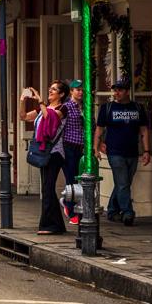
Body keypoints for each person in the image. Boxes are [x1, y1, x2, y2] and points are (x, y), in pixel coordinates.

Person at [94, 80, 152, 226]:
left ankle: (113, 210)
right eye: (115, 90)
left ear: (127, 91)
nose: (116, 93)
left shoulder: (138, 108)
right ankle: (128, 212)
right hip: (114, 151)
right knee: (123, 183)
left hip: (133, 151)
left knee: (123, 183)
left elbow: (144, 130)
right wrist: (96, 147)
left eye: (120, 90)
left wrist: (146, 151)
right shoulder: (107, 108)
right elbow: (99, 129)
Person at [20, 81, 69, 235]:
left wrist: (40, 99)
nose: (50, 91)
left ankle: (50, 226)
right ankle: (57, 225)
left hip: (55, 153)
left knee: (48, 188)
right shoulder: (42, 109)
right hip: (44, 152)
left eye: (54, 89)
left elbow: (50, 119)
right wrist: (23, 100)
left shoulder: (62, 108)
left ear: (61, 94)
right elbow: (23, 117)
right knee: (47, 188)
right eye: (50, 88)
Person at [61, 79, 85, 224]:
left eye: (82, 89)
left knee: (80, 179)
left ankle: (72, 204)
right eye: (77, 89)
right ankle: (71, 211)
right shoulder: (67, 107)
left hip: (81, 148)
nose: (80, 92)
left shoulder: (84, 107)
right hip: (69, 146)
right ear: (71, 92)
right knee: (71, 179)